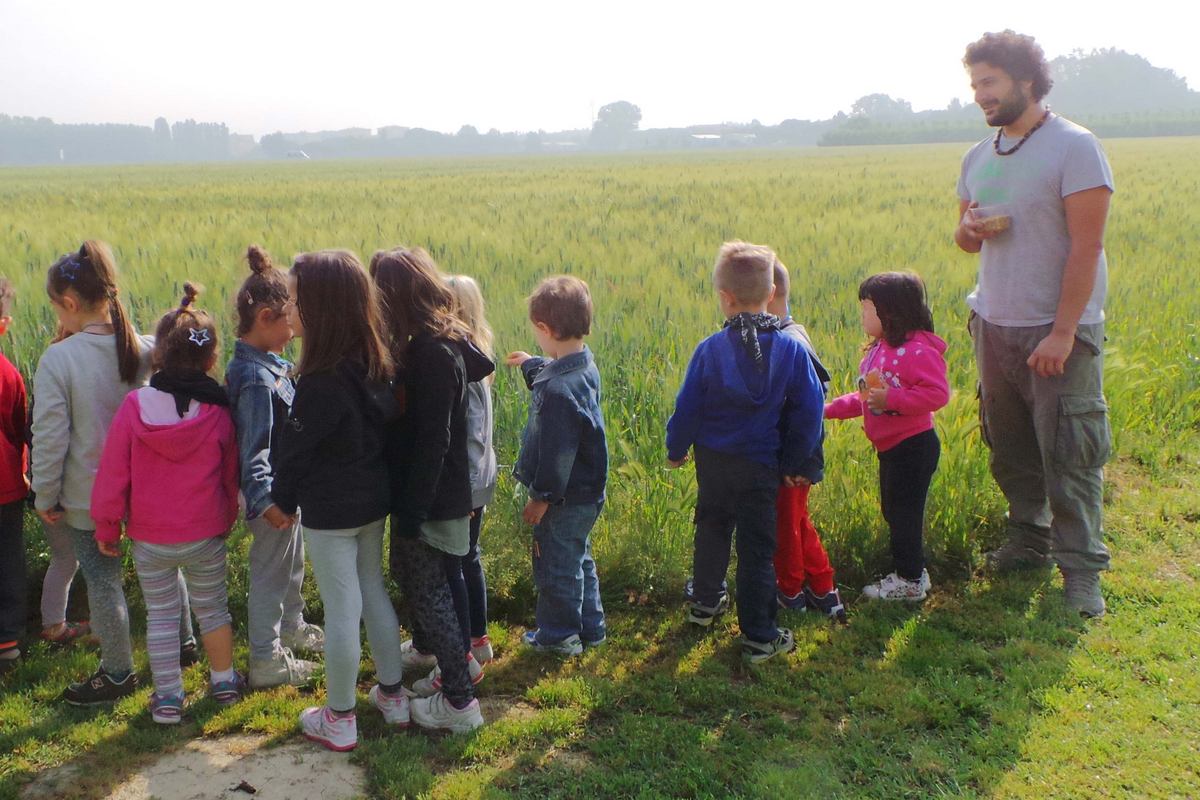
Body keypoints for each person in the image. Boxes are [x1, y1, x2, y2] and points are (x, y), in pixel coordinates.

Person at [955, 30, 1115, 617]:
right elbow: (964, 236)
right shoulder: (979, 155)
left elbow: (1086, 248)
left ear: (1026, 80)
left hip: (1056, 328)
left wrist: (1064, 331)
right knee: (1011, 446)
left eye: (989, 82)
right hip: (994, 324)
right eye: (974, 84)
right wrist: (968, 231)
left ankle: (1081, 572)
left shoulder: (1075, 147)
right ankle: (1029, 539)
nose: (980, 95)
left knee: (1071, 450)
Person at [32, 241, 194, 705]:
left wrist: (45, 496)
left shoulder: (58, 360)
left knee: (103, 582)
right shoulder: (143, 348)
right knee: (165, 568)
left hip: (86, 496)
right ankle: (184, 645)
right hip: (147, 492)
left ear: (68, 303)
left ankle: (118, 674)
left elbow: (50, 440)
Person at [272, 250, 406, 752]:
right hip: (373, 501)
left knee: (343, 606)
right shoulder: (372, 363)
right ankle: (392, 697)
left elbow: (295, 453)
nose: (286, 308)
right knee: (373, 590)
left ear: (320, 309)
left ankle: (341, 716)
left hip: (330, 512)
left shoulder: (319, 383)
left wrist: (282, 501)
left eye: (293, 298)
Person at [91, 285, 244, 723]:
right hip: (204, 533)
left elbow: (112, 476)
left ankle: (169, 698)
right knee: (213, 608)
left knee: (161, 615)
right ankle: (224, 681)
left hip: (150, 538)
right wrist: (227, 515)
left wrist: (106, 527)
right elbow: (230, 471)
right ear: (212, 359)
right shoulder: (218, 409)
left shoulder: (134, 406)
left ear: (158, 355)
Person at [666, 242, 823, 663]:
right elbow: (810, 411)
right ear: (772, 293)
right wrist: (795, 462)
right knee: (757, 549)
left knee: (712, 529)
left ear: (724, 297)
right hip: (760, 466)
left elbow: (688, 406)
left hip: (714, 464)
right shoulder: (791, 349)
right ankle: (759, 635)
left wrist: (675, 448)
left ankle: (705, 602)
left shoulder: (709, 350)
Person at [373, 247, 490, 734]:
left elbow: (434, 439)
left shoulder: (434, 354)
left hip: (432, 500)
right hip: (435, 497)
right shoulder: (435, 344)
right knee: (430, 590)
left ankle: (460, 702)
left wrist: (413, 512)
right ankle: (455, 684)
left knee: (433, 595)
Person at [226, 245, 322, 690]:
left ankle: (292, 628)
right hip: (270, 499)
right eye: (291, 317)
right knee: (270, 573)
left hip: (286, 493)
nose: (298, 326)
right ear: (266, 317)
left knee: (291, 567)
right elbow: (254, 452)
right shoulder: (253, 380)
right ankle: (266, 659)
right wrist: (267, 503)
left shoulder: (272, 366)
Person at [825, 272, 949, 601]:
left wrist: (892, 400)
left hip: (914, 446)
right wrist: (828, 410)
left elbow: (937, 394)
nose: (863, 316)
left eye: (867, 309)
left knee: (904, 513)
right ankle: (912, 570)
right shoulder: (879, 350)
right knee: (894, 511)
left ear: (889, 313)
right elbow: (866, 397)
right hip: (891, 448)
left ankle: (909, 580)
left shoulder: (917, 352)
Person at [506, 275, 608, 657]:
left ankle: (558, 635)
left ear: (546, 328)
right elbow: (555, 371)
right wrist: (532, 364)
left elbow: (556, 453)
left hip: (563, 497)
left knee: (555, 567)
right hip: (587, 491)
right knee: (578, 557)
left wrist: (541, 498)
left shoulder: (556, 391)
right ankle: (591, 628)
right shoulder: (584, 366)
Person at [765, 260, 845, 622]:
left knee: (786, 524)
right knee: (797, 520)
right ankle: (824, 588)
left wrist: (799, 464)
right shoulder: (791, 332)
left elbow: (810, 414)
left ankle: (791, 590)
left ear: (765, 297)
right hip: (795, 456)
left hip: (793, 459)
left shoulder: (789, 342)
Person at [445, 274, 498, 664]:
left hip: (469, 481)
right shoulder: (480, 350)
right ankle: (479, 639)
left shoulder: (465, 362)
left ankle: (469, 644)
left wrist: (462, 491)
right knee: (470, 556)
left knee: (460, 559)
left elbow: (472, 437)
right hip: (480, 478)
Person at [0, 279, 29, 668]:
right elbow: (19, 429)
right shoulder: (9, 374)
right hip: (4, 487)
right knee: (7, 561)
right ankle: (7, 643)